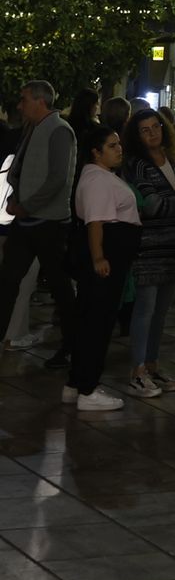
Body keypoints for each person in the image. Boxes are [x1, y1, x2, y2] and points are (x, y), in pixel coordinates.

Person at [0, 79, 78, 371]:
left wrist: (25, 205)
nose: (20, 106)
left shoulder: (59, 130)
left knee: (59, 286)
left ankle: (71, 346)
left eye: (24, 99)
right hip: (29, 220)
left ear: (40, 101)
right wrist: (16, 198)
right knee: (9, 281)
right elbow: (23, 170)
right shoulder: (35, 128)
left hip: (48, 223)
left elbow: (57, 179)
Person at [122, 105, 175, 398]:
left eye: (156, 127)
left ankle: (153, 365)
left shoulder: (173, 159)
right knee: (145, 309)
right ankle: (138, 371)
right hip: (148, 248)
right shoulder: (137, 165)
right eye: (145, 130)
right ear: (137, 136)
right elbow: (152, 205)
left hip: (174, 246)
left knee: (161, 312)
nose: (153, 133)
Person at [67, 122, 140, 411]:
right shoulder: (98, 180)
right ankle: (87, 388)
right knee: (97, 323)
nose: (119, 149)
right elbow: (95, 222)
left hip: (110, 256)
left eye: (119, 144)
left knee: (90, 319)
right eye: (112, 146)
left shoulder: (100, 176)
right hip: (106, 259)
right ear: (96, 152)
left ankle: (76, 383)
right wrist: (99, 257)